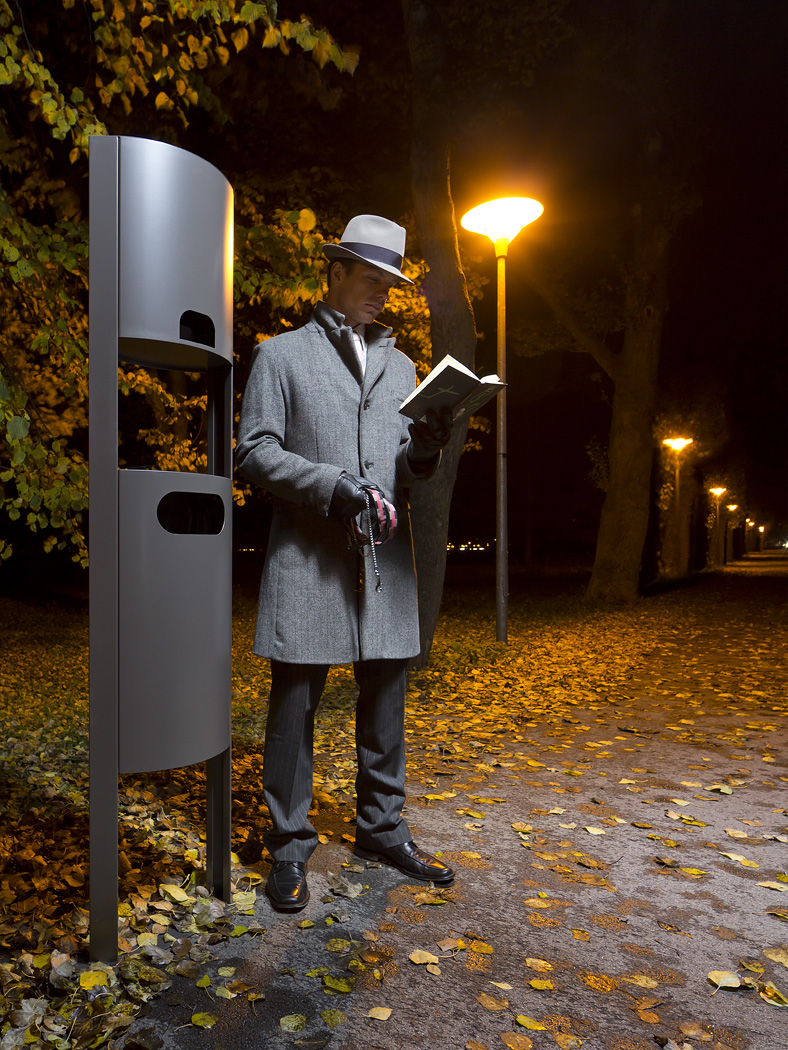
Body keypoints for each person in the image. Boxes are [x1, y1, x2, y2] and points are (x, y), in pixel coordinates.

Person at [236, 214, 455, 911]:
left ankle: (381, 829)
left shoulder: (405, 367)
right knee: (293, 711)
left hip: (386, 564)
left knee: (386, 702)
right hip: (309, 559)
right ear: (334, 274)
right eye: (371, 280)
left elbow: (409, 472)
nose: (382, 295)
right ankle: (289, 848)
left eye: (391, 285)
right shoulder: (281, 356)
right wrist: (330, 485)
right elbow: (254, 453)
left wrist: (426, 448)